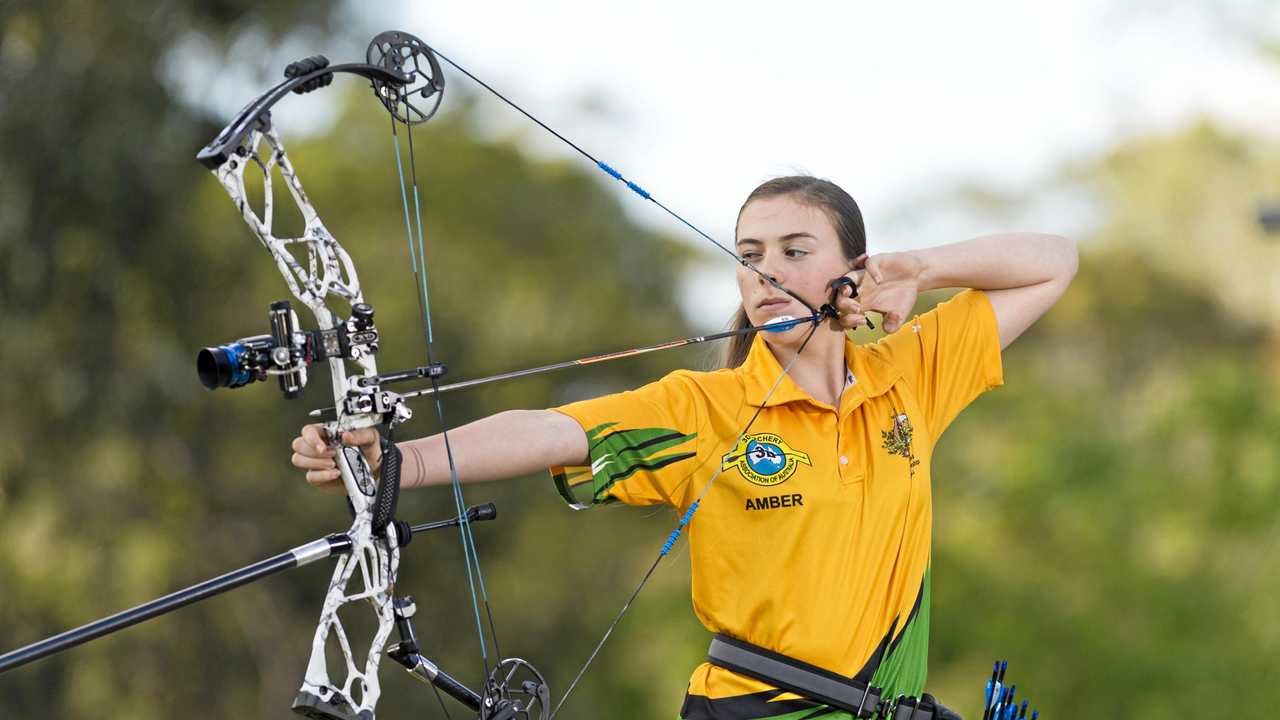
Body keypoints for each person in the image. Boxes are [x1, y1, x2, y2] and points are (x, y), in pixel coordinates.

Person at [290, 176, 1077, 719]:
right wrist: (397, 462)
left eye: (795, 251)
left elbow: (1053, 263)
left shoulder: (909, 374)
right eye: (749, 254)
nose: (766, 271)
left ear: (851, 273)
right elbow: (552, 429)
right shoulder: (703, 408)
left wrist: (920, 269)